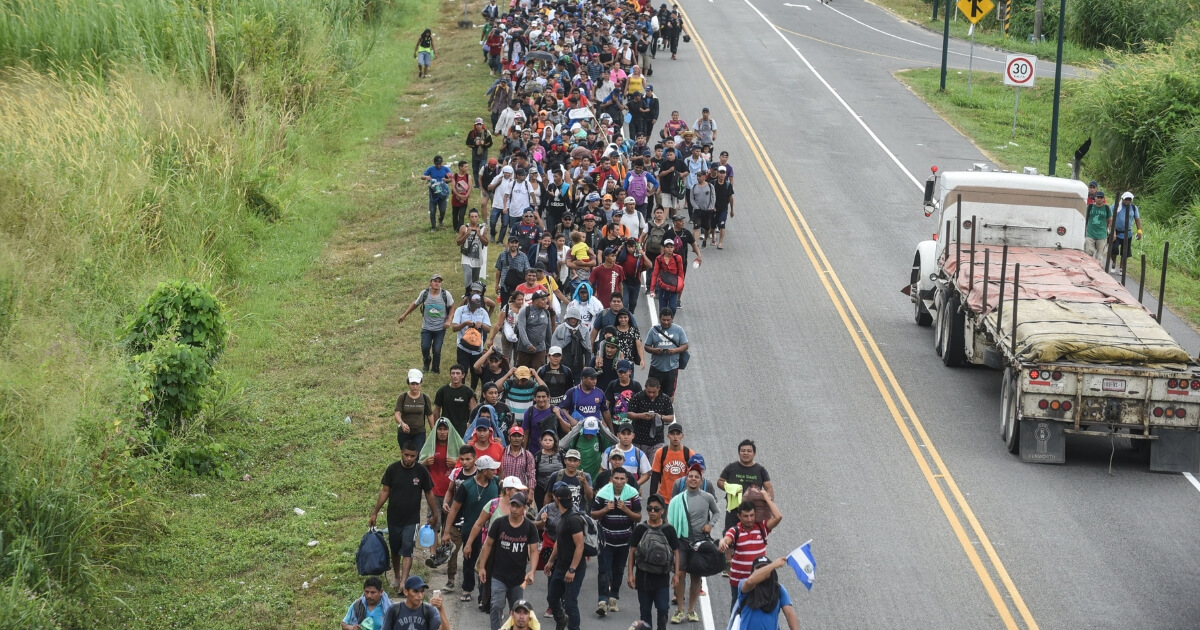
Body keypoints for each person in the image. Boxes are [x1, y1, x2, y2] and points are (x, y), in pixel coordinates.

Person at [371, 442, 440, 589]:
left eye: (412, 456)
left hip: (412, 519)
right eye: (406, 455)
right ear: (401, 453)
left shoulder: (421, 471)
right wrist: (375, 512)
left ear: (417, 456)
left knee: (407, 548)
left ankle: (404, 581)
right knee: (395, 549)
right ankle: (396, 577)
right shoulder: (392, 469)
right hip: (393, 518)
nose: (409, 458)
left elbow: (429, 493)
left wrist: (435, 513)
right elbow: (385, 491)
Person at [477, 491, 541, 630]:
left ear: (524, 508)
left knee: (517, 611)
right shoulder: (499, 523)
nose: (514, 509)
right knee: (496, 606)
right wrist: (482, 567)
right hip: (498, 575)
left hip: (518, 578)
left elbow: (534, 550)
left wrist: (532, 572)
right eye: (512, 505)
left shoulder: (530, 527)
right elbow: (487, 545)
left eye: (518, 506)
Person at [443, 454, 501, 602]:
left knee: (487, 562)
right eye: (491, 469)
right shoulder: (467, 486)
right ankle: (467, 588)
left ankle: (484, 594)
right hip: (471, 530)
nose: (495, 471)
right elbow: (454, 509)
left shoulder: (495, 482)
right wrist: (446, 532)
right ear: (483, 471)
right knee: (469, 560)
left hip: (490, 531)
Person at [667, 464, 719, 624]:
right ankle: (680, 609)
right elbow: (670, 519)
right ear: (686, 479)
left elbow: (716, 512)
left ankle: (691, 610)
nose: (693, 479)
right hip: (681, 541)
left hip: (699, 542)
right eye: (691, 476)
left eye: (697, 477)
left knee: (696, 576)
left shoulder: (707, 497)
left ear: (701, 480)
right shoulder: (677, 500)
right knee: (680, 574)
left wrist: (710, 525)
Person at [591, 466, 642, 617]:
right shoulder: (602, 493)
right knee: (604, 570)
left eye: (622, 479)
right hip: (606, 540)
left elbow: (638, 517)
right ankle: (602, 600)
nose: (619, 482)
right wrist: (605, 510)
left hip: (625, 540)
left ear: (626, 480)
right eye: (616, 478)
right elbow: (593, 514)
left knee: (618, 569)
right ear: (611, 479)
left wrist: (626, 510)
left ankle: (613, 597)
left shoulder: (632, 494)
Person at [719, 493, 783, 607]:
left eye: (752, 515)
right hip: (739, 582)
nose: (749, 519)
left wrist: (766, 497)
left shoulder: (762, 528)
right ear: (739, 516)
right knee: (738, 613)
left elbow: (778, 517)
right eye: (745, 516)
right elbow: (726, 539)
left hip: (759, 579)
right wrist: (723, 543)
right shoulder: (735, 531)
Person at [627, 494, 679, 630]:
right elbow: (632, 551)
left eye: (656, 509)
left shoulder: (669, 530)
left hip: (662, 578)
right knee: (645, 613)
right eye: (650, 509)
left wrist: (676, 574)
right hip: (643, 577)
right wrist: (630, 575)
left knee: (663, 609)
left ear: (663, 510)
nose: (652, 512)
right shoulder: (640, 529)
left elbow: (676, 552)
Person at [545, 483, 589, 630]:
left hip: (573, 568)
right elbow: (559, 541)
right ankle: (561, 621)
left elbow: (580, 546)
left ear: (557, 499)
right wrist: (550, 561)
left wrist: (572, 569)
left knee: (570, 604)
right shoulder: (563, 517)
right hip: (560, 566)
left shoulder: (573, 519)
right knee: (552, 597)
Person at [398, 274, 453, 373]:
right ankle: (426, 362)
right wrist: (404, 315)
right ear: (430, 283)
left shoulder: (445, 294)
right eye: (435, 281)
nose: (437, 283)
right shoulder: (424, 294)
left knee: (437, 349)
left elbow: (452, 306)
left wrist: (449, 320)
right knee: (425, 347)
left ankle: (435, 369)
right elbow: (415, 304)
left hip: (440, 328)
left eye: (439, 281)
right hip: (427, 328)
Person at [420, 417, 465, 539]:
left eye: (445, 429)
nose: (442, 432)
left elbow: (468, 465)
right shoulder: (431, 446)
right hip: (433, 491)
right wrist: (425, 463)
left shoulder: (457, 446)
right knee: (434, 523)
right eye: (439, 429)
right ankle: (433, 555)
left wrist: (456, 463)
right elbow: (418, 466)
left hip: (452, 492)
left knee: (449, 526)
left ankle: (444, 552)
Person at [442, 445, 478, 592]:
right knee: (452, 550)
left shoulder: (479, 475)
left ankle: (470, 583)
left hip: (473, 520)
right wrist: (445, 502)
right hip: (456, 519)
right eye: (462, 459)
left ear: (475, 459)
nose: (465, 462)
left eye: (468, 459)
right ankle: (450, 580)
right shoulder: (456, 472)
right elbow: (450, 490)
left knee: (470, 554)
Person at [718, 440, 775, 532]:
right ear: (739, 452)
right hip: (733, 511)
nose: (745, 453)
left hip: (752, 513)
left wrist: (769, 506)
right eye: (743, 450)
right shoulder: (731, 467)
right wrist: (731, 488)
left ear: (754, 453)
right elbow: (720, 481)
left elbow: (769, 488)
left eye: (749, 451)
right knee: (729, 538)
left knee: (752, 538)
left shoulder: (760, 470)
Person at [731, 557, 800, 630]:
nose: (762, 571)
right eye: (758, 568)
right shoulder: (745, 584)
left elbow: (789, 614)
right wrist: (773, 565)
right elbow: (750, 581)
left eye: (765, 567)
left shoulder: (779, 589)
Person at [643, 308, 687, 399]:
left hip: (672, 368)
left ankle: (668, 412)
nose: (666, 322)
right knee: (651, 393)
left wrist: (675, 351)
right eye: (664, 320)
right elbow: (646, 346)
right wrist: (655, 350)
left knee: (669, 395)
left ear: (672, 319)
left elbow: (685, 345)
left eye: (668, 320)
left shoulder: (679, 330)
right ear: (659, 319)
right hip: (656, 368)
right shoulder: (653, 330)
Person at [625, 377, 674, 455]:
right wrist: (641, 416)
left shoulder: (665, 399)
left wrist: (660, 417)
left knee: (654, 466)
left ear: (659, 388)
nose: (651, 394)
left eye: (654, 392)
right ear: (645, 388)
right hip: (639, 439)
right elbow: (629, 414)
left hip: (657, 440)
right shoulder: (638, 397)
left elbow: (671, 418)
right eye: (649, 392)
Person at [453, 294, 492, 391]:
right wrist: (465, 323)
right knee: (463, 370)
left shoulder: (483, 312)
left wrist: (482, 324)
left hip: (477, 348)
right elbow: (454, 328)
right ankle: (461, 390)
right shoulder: (460, 310)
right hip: (463, 346)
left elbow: (488, 329)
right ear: (468, 302)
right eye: (473, 305)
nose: (475, 308)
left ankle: (472, 391)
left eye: (477, 305)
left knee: (475, 372)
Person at [381, 576, 448, 630]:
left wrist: (441, 609)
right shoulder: (394, 609)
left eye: (422, 591)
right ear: (406, 592)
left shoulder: (429, 610)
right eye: (415, 591)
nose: (420, 595)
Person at [555, 367, 609, 432]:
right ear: (583, 379)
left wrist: (611, 430)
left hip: (594, 429)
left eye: (595, 378)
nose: (594, 381)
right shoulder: (572, 392)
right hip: (577, 430)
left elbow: (605, 411)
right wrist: (571, 419)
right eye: (591, 379)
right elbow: (562, 408)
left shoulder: (599, 393)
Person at [649, 422, 691, 502]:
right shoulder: (660, 453)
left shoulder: (689, 453)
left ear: (682, 436)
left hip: (683, 500)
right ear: (668, 436)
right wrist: (652, 499)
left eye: (678, 434)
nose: (675, 437)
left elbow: (694, 478)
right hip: (664, 500)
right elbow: (655, 477)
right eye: (672, 434)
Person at [550, 304, 593, 380]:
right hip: (563, 364)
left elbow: (587, 349)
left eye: (575, 318)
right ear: (567, 318)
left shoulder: (584, 329)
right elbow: (554, 348)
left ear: (578, 319)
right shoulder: (560, 329)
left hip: (578, 365)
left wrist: (587, 365)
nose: (573, 320)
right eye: (571, 318)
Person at [603, 422, 653, 487]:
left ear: (633, 436)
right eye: (623, 434)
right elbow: (602, 469)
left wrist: (635, 485)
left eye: (629, 434)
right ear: (618, 435)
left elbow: (647, 474)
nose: (626, 437)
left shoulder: (639, 454)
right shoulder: (609, 451)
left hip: (631, 494)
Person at [434, 365, 478, 437]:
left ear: (463, 375)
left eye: (458, 373)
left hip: (463, 429)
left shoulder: (469, 392)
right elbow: (436, 410)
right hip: (446, 428)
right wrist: (437, 426)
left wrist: (470, 427)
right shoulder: (442, 390)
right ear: (450, 375)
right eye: (453, 373)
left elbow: (474, 412)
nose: (455, 376)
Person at [396, 368, 434, 452]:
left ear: (420, 384)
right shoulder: (403, 397)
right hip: (404, 433)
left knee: (418, 455)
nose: (415, 386)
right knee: (406, 455)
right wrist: (402, 423)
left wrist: (433, 431)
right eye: (412, 384)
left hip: (419, 432)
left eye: (417, 384)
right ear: (408, 384)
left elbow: (429, 414)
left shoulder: (425, 398)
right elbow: (397, 413)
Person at [516, 290, 554, 369]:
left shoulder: (546, 313)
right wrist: (527, 344)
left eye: (546, 299)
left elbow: (548, 332)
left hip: (540, 349)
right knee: (522, 374)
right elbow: (521, 330)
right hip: (524, 350)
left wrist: (549, 347)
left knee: (539, 373)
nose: (545, 301)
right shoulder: (525, 312)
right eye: (543, 299)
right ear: (536, 301)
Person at [458, 209, 491, 293]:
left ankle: (473, 294)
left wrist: (479, 235)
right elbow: (458, 242)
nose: (474, 219)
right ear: (469, 217)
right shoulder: (464, 228)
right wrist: (467, 233)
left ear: (478, 217)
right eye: (472, 217)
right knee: (468, 275)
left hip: (477, 257)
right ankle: (467, 293)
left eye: (476, 217)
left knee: (475, 278)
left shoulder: (483, 229)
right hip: (466, 257)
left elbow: (486, 243)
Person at [648, 240, 684, 313]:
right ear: (664, 248)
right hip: (663, 287)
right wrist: (652, 288)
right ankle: (663, 322)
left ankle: (670, 321)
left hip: (673, 286)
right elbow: (655, 273)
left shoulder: (678, 258)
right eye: (667, 247)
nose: (669, 249)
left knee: (673, 307)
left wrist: (681, 285)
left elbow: (681, 273)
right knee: (662, 308)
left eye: (671, 247)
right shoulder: (659, 259)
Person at [1109, 191, 1142, 268]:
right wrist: (1112, 231)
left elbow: (1137, 219)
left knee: (1125, 252)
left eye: (1129, 200)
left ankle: (1121, 268)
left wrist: (1139, 231)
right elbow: (1111, 218)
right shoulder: (1116, 206)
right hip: (1116, 232)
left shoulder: (1133, 208)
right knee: (1114, 249)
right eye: (1126, 199)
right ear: (1122, 199)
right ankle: (1113, 262)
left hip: (1127, 233)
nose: (1127, 201)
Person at [498, 236, 531, 305]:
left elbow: (527, 271)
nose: (514, 245)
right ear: (508, 244)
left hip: (518, 287)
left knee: (518, 306)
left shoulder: (523, 256)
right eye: (512, 243)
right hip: (504, 286)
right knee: (504, 307)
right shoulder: (502, 255)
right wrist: (496, 284)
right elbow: (499, 270)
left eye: (516, 243)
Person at [502, 426, 537, 491]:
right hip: (504, 491)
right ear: (509, 438)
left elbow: (531, 475)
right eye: (514, 436)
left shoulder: (528, 455)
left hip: (520, 493)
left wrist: (531, 491)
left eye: (519, 436)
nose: (516, 438)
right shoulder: (502, 452)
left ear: (523, 438)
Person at [423, 155, 453, 230]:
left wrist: (446, 180)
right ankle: (433, 226)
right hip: (433, 193)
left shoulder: (446, 169)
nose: (439, 166)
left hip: (442, 192)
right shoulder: (431, 169)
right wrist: (426, 177)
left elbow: (452, 178)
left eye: (440, 164)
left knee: (442, 209)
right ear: (434, 163)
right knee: (432, 210)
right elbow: (422, 176)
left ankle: (441, 219)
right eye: (437, 164)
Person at [688, 170, 715, 246]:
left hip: (707, 211)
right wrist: (696, 208)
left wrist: (710, 208)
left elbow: (713, 198)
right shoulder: (694, 187)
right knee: (696, 227)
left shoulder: (710, 186)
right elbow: (691, 199)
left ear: (704, 176)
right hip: (697, 211)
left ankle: (705, 239)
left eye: (700, 176)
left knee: (707, 228)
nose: (698, 178)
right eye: (697, 176)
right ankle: (695, 244)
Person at [710, 165, 735, 249]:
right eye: (720, 172)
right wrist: (711, 206)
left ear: (725, 174)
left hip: (723, 208)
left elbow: (731, 197)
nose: (721, 174)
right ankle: (713, 237)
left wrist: (732, 210)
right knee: (712, 226)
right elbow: (709, 196)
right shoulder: (713, 184)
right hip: (714, 209)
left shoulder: (728, 185)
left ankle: (720, 242)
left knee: (722, 224)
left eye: (723, 173)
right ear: (717, 173)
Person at [1084, 190, 1111, 261]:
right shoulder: (1089, 207)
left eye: (1101, 198)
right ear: (1095, 198)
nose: (1099, 199)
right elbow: (1085, 218)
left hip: (1102, 235)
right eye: (1098, 197)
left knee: (1099, 257)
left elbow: (1110, 219)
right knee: (1088, 254)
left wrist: (1108, 228)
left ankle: (1097, 271)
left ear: (1103, 199)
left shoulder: (1107, 208)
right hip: (1090, 234)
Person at [467, 118, 494, 187]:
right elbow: (468, 143)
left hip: (483, 155)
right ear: (475, 125)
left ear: (482, 125)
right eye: (477, 124)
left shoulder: (486, 132)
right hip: (475, 156)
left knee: (482, 170)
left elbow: (490, 143)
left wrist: (484, 143)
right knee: (475, 170)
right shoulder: (472, 133)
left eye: (480, 124)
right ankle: (477, 184)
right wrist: (474, 144)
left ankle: (483, 183)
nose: (478, 126)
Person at [450, 161, 474, 232]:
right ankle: (455, 228)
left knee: (461, 215)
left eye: (467, 166)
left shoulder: (468, 176)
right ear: (460, 167)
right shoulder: (455, 176)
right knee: (455, 214)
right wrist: (459, 195)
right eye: (465, 167)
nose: (467, 168)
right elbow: (453, 188)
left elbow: (470, 187)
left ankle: (460, 229)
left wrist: (466, 196)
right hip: (455, 199)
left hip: (464, 200)